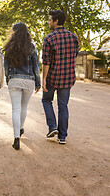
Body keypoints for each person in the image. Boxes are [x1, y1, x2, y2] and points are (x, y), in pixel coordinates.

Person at [42, 10, 79, 144]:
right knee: (63, 106)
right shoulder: (73, 37)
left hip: (53, 77)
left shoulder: (49, 38)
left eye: (50, 19)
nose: (48, 22)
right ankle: (62, 137)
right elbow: (75, 55)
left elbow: (46, 62)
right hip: (67, 78)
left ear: (56, 21)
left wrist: (44, 79)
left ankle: (52, 127)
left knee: (46, 101)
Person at [3, 22, 41, 150]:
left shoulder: (9, 47)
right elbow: (36, 66)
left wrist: (8, 79)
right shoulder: (31, 47)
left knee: (15, 109)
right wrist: (38, 82)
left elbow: (6, 67)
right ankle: (20, 128)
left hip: (14, 80)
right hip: (29, 80)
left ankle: (16, 138)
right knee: (23, 107)